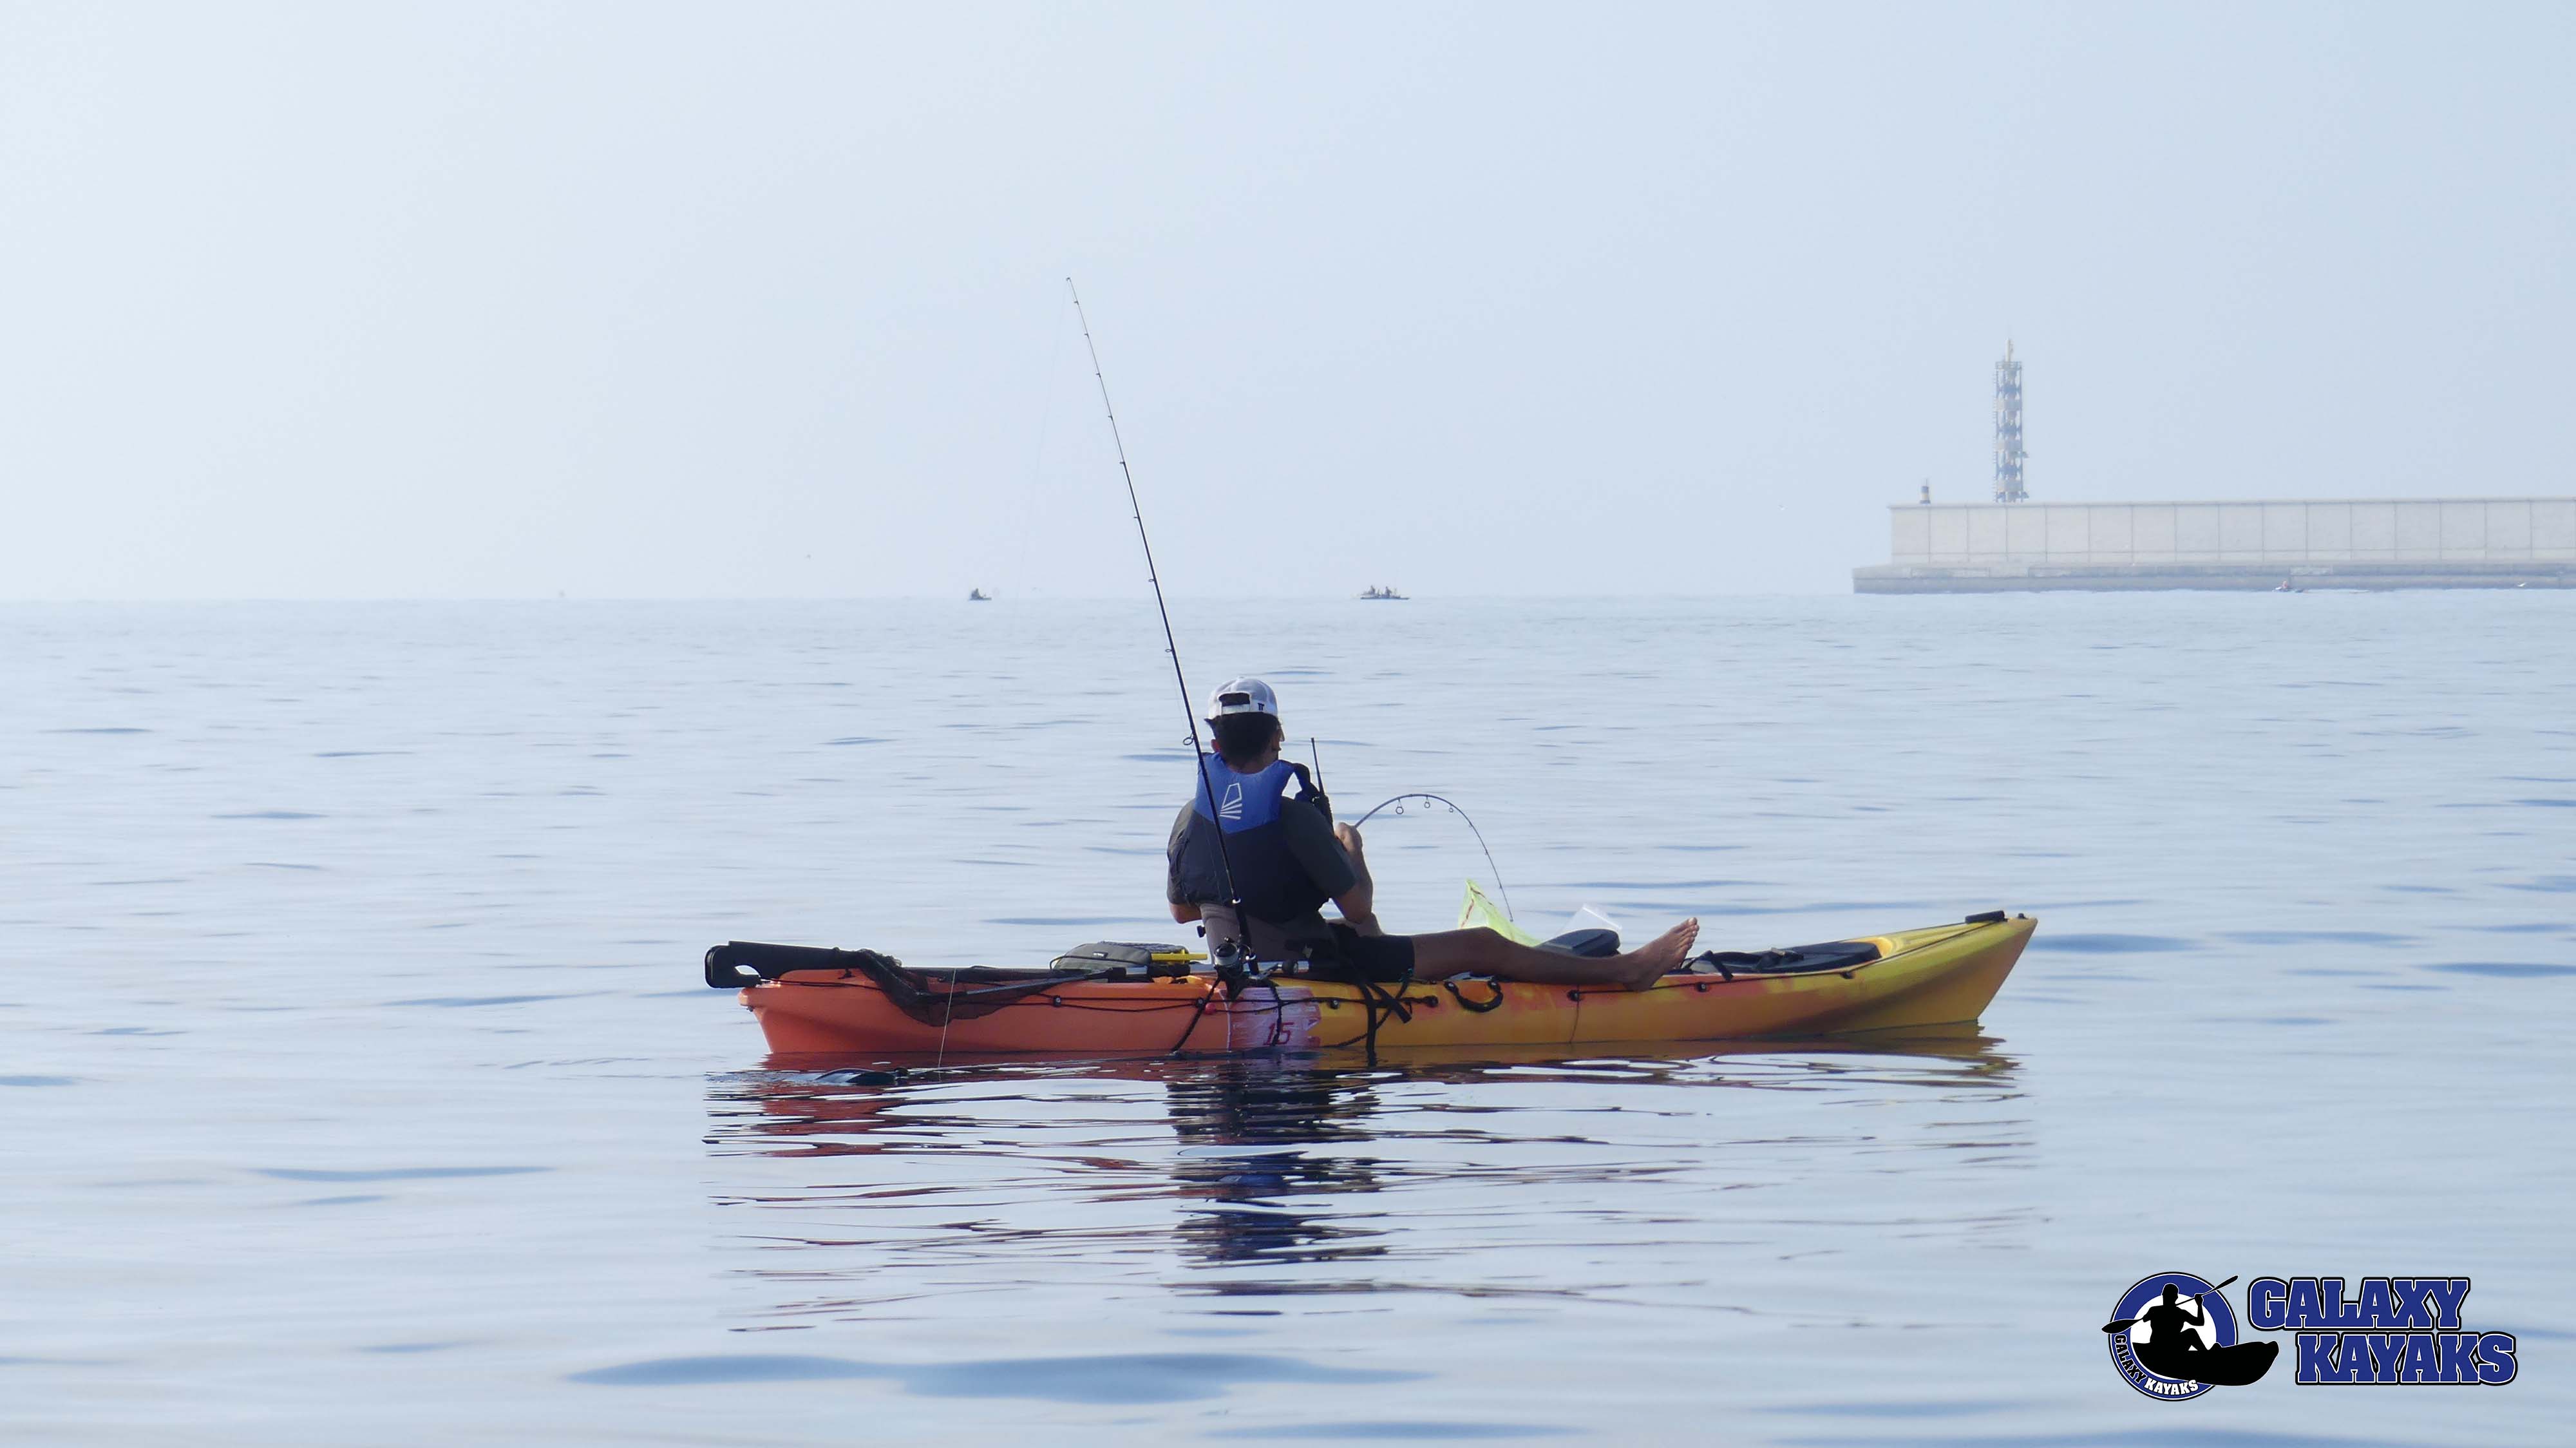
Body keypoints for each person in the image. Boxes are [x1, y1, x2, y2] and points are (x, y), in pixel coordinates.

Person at [1165, 677, 1698, 991]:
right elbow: (1356, 906)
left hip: (1236, 965)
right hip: (1318, 969)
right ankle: (1626, 973)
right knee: (1486, 944)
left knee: (1362, 930)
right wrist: (1353, 852)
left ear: (1214, 747)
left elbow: (1184, 912)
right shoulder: (1293, 816)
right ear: (1278, 737)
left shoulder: (1190, 816)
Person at [2137, 1285, 2210, 1353]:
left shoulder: (2154, 1310)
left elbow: (2145, 1319)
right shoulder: (2180, 1313)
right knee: (2191, 1333)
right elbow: (2200, 1322)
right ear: (2176, 1297)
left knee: (2191, 1332)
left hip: (2164, 1346)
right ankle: (2207, 1354)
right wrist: (2199, 1305)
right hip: (2169, 1347)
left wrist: (2147, 1316)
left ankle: (2206, 1354)